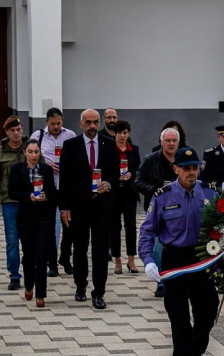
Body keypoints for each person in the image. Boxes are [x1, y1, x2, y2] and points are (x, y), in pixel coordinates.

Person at [140, 149, 219, 356]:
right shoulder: (162, 195)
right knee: (179, 318)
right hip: (174, 259)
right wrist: (148, 260)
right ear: (176, 169)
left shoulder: (210, 193)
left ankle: (196, 350)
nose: (191, 172)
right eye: (186, 168)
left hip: (202, 258)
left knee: (208, 310)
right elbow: (147, 230)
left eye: (194, 167)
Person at [59, 109, 119, 308]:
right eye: (88, 123)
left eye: (95, 122)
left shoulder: (109, 144)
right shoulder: (70, 146)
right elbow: (65, 179)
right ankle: (80, 285)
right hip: (79, 206)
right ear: (81, 123)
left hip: (103, 206)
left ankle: (99, 292)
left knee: (101, 250)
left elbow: (115, 172)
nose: (92, 126)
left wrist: (108, 184)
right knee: (80, 248)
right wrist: (64, 208)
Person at [8, 138, 57, 308]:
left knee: (42, 254)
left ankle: (40, 294)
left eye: (36, 152)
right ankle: (29, 284)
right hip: (25, 218)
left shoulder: (46, 170)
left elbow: (52, 193)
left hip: (43, 218)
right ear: (24, 153)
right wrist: (28, 196)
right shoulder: (16, 169)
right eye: (30, 152)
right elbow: (12, 192)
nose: (34, 155)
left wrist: (46, 197)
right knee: (28, 255)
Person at [30, 108, 77, 276]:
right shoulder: (38, 136)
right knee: (49, 225)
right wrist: (47, 166)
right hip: (48, 186)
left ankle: (65, 258)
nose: (56, 127)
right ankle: (51, 263)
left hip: (66, 186)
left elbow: (77, 156)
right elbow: (32, 158)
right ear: (46, 122)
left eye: (58, 123)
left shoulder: (70, 135)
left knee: (69, 225)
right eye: (53, 124)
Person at [135, 126, 180, 297]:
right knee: (158, 247)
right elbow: (138, 180)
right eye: (167, 140)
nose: (170, 144)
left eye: (174, 141)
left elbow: (194, 177)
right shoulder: (150, 159)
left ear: (178, 142)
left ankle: (178, 279)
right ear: (161, 142)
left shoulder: (183, 159)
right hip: (157, 210)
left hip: (181, 210)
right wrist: (156, 190)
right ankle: (161, 281)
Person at [0, 116, 26, 290]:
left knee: (30, 239)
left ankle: (31, 270)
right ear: (7, 132)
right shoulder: (0, 152)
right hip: (9, 202)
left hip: (29, 201)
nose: (16, 133)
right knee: (12, 240)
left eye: (18, 129)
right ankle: (14, 275)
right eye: (12, 130)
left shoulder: (30, 148)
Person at [110, 120, 141, 275]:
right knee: (115, 227)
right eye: (119, 133)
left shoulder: (133, 149)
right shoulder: (110, 149)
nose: (122, 136)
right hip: (114, 193)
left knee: (131, 225)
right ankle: (117, 260)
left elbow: (138, 171)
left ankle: (131, 259)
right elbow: (106, 170)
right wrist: (117, 177)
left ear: (128, 133)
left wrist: (131, 175)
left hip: (129, 192)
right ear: (114, 134)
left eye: (125, 133)